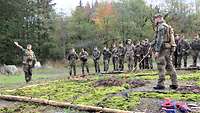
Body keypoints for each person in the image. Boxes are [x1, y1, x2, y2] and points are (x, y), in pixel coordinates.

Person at [151, 14, 178, 90]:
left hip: (162, 49)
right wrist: (151, 43)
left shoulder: (161, 27)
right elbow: (158, 39)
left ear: (159, 18)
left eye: (155, 19)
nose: (154, 21)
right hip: (168, 48)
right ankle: (175, 83)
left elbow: (160, 40)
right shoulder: (167, 26)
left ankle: (161, 84)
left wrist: (156, 50)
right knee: (169, 66)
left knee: (161, 66)